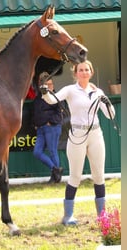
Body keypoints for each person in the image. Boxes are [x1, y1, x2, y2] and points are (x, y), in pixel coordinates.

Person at [40, 60, 115, 225]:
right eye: (80, 70)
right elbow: (52, 100)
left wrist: (106, 102)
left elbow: (110, 115)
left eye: (87, 69)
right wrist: (45, 92)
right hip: (77, 135)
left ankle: (101, 215)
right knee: (75, 176)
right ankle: (68, 216)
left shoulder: (97, 91)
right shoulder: (70, 90)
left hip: (95, 134)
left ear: (91, 72)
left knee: (99, 175)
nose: (84, 72)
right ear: (75, 73)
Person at [33, 72, 63, 183]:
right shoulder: (38, 98)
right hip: (40, 128)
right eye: (47, 85)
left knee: (52, 151)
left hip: (52, 127)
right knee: (37, 152)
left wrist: (50, 122)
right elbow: (35, 112)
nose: (49, 86)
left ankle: (55, 178)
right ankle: (56, 170)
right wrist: (35, 124)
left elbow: (59, 114)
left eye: (51, 84)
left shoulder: (56, 97)